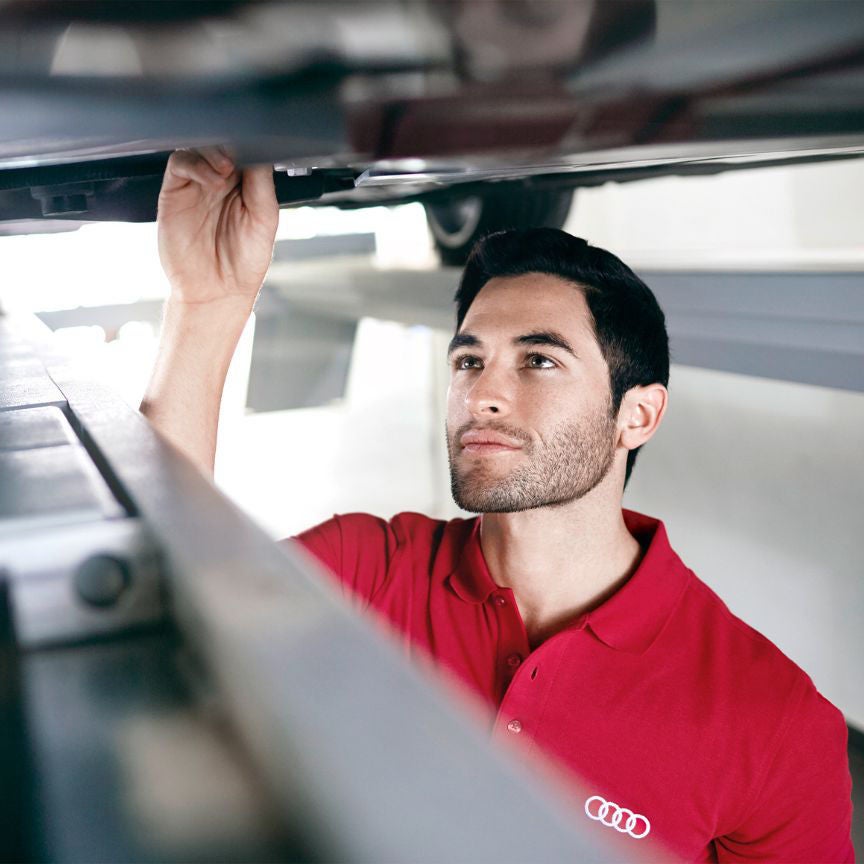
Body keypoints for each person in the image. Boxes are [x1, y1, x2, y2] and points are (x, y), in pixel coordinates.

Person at [142, 148, 855, 862]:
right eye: (468, 359)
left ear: (637, 416)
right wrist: (206, 303)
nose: (482, 392)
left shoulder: (774, 722)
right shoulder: (365, 571)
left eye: (538, 360)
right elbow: (151, 607)